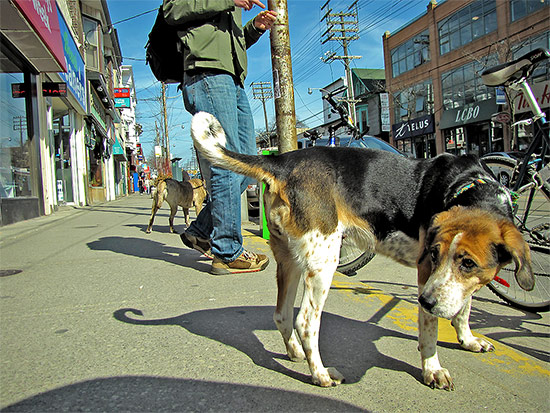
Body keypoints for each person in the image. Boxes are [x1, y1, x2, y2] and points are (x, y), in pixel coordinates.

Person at [163, 0, 277, 274]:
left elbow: (223, 44)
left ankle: (202, 231)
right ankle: (227, 252)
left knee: (248, 166)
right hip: (206, 74)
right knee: (226, 163)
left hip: (232, 78)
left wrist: (253, 29)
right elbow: (172, 10)